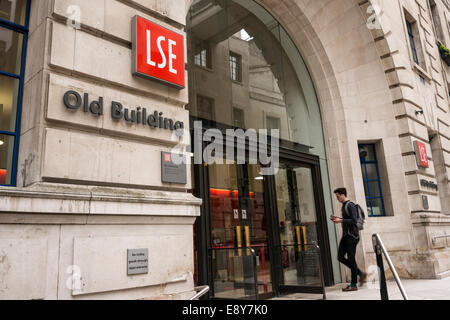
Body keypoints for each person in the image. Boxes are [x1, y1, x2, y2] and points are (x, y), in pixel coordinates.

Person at [331, 188, 367, 291]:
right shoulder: (344, 206)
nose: (337, 198)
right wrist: (337, 218)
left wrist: (340, 220)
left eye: (338, 196)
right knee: (340, 257)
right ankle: (360, 273)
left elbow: (354, 220)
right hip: (346, 236)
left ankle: (353, 285)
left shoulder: (350, 205)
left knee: (351, 259)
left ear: (343, 195)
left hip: (352, 236)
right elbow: (347, 219)